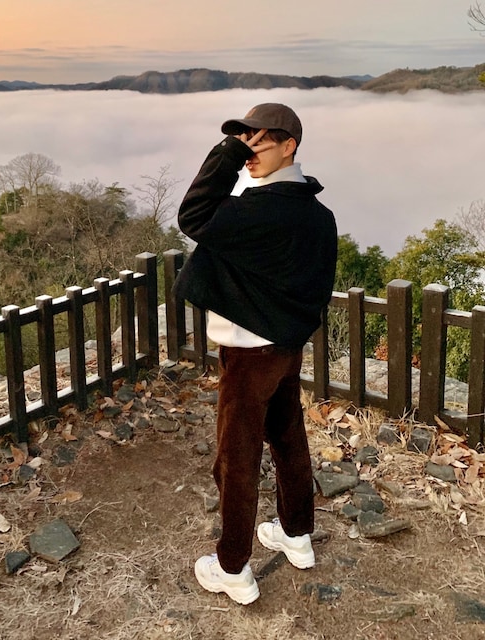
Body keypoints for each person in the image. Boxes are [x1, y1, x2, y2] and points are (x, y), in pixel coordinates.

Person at [173, 103, 337, 605]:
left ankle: (233, 568)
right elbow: (316, 289)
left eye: (257, 141)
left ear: (289, 145)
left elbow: (192, 215)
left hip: (247, 354)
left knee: (236, 458)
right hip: (284, 349)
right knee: (288, 440)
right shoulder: (318, 215)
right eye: (242, 140)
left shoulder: (258, 209)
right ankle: (297, 534)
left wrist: (225, 153)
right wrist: (290, 331)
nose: (248, 151)